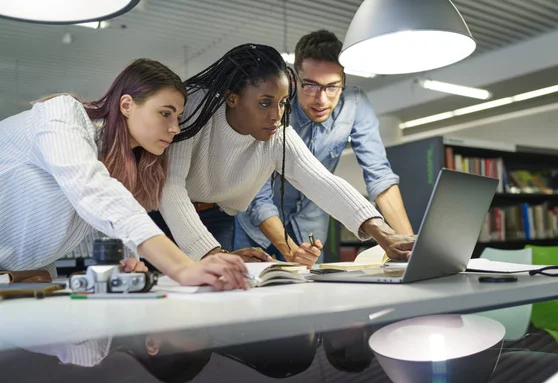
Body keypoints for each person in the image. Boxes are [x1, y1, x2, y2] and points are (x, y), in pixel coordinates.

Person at [152, 43, 414, 266]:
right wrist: (213, 253)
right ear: (232, 98)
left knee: (214, 290)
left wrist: (384, 234)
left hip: (217, 216)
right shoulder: (196, 107)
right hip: (160, 211)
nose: (276, 115)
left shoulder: (277, 134)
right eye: (265, 103)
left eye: (282, 103)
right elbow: (170, 187)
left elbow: (323, 182)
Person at [0, 58, 248, 290]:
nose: (174, 128)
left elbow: (105, 218)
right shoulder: (62, 116)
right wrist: (182, 267)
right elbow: (93, 191)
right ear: (127, 105)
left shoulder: (121, 166)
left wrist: (128, 261)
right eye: (165, 113)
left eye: (178, 117)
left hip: (22, 277)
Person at [235, 30, 414, 265]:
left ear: (344, 81)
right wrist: (289, 250)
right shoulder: (273, 107)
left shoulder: (355, 104)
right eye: (310, 86)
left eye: (332, 87)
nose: (321, 99)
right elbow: (257, 193)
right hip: (257, 227)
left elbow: (379, 175)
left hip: (310, 231)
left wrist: (409, 246)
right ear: (293, 78)